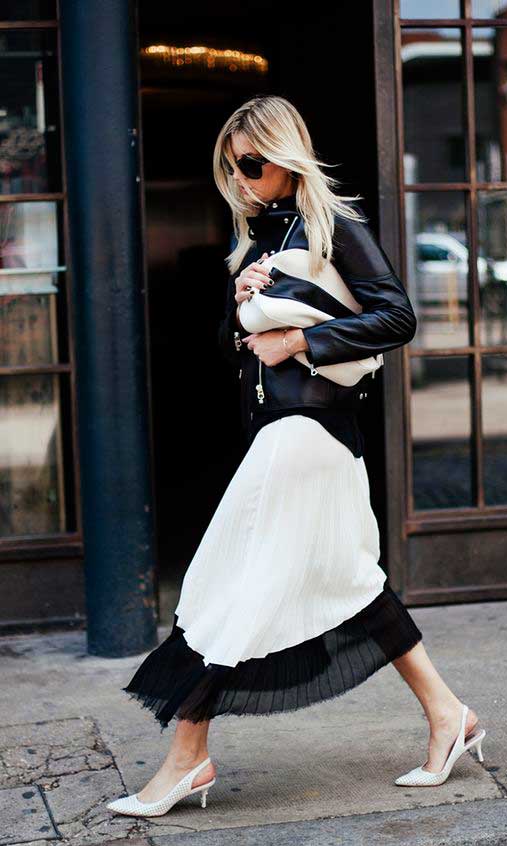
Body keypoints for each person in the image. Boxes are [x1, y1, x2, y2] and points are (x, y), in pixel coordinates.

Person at [107, 95, 485, 818]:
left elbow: (396, 316)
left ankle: (187, 758)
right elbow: (235, 351)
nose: (241, 177)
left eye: (250, 162)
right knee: (354, 583)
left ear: (285, 155)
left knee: (228, 587)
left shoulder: (332, 224)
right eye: (231, 165)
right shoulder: (253, 237)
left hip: (308, 433)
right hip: (282, 433)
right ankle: (450, 716)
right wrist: (239, 296)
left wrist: (302, 340)